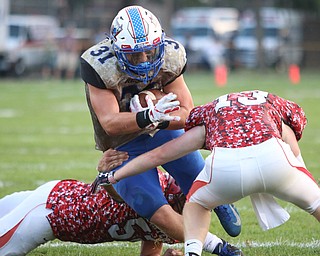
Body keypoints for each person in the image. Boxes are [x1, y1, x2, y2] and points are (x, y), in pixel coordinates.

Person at [79, 4, 241, 243]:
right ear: (117, 50)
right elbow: (110, 123)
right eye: (135, 54)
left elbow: (189, 114)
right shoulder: (99, 65)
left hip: (164, 132)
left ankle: (216, 199)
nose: (144, 60)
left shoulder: (172, 55)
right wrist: (149, 116)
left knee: (198, 181)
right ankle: (216, 247)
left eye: (151, 52)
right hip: (123, 144)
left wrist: (161, 120)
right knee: (153, 207)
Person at [94, 90, 320, 255]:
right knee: (316, 202)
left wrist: (113, 176)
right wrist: (304, 186)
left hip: (227, 170)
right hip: (276, 162)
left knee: (196, 204)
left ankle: (194, 252)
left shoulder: (210, 114)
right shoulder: (275, 107)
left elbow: (158, 155)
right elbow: (295, 154)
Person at [0, 149, 240, 256]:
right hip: (53, 211)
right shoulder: (160, 183)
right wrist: (219, 247)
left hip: (58, 201)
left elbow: (151, 246)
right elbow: (120, 192)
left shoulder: (181, 225)